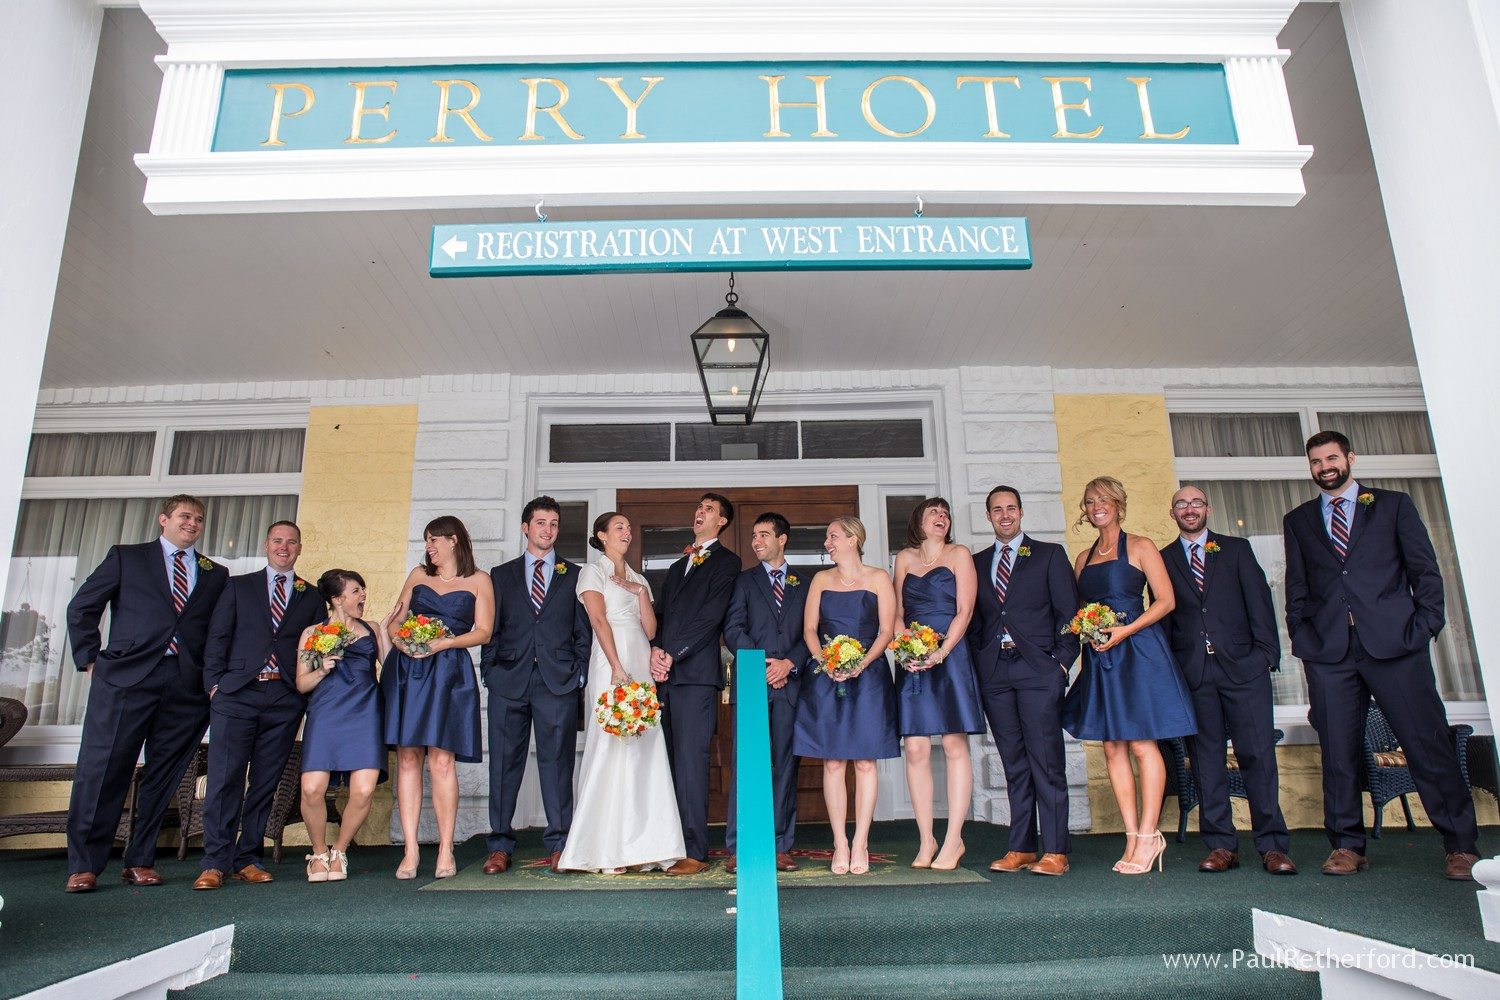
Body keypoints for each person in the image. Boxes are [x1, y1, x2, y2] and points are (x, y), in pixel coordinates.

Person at [1283, 431, 1480, 880]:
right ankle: (1347, 845)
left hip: (1396, 646)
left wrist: (1423, 627)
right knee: (1338, 752)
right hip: (1331, 654)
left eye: (1332, 457)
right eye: (1316, 461)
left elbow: (1425, 572)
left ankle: (1460, 846)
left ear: (1350, 458)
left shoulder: (1393, 505)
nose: (1324, 466)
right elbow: (1297, 588)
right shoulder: (1299, 520)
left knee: (1426, 743)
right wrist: (1304, 639)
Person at [63, 494, 229, 893]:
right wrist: (90, 661)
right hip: (125, 680)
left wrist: (212, 681)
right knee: (104, 769)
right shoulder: (127, 557)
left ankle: (139, 860)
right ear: (164, 519)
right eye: (185, 516)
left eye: (199, 519)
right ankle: (84, 865)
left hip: (185, 687)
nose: (192, 523)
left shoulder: (215, 573)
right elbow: (82, 607)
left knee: (163, 776)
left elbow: (217, 632)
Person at [1061, 477, 1195, 875]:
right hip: (1101, 656)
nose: (1096, 505)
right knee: (1113, 747)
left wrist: (1125, 630)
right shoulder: (1082, 559)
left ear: (1118, 504)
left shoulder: (1140, 546)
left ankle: (1150, 835)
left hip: (1137, 652)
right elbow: (1082, 608)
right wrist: (1089, 630)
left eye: (1104, 499)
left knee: (1140, 744)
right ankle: (1132, 833)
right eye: (1089, 501)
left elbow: (1167, 601)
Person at [1160, 487, 1296, 876]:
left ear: (1208, 509)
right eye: (1182, 504)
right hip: (1195, 674)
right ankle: (1221, 845)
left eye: (1196, 503)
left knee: (1257, 755)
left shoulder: (1235, 550)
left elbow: (1259, 602)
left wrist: (1266, 656)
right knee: (1206, 762)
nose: (1189, 509)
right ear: (1172, 513)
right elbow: (1167, 618)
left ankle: (1272, 846)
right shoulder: (1165, 559)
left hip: (1243, 670)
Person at [194, 521, 326, 890]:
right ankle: (214, 862)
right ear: (267, 544)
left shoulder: (311, 596)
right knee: (225, 778)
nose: (284, 547)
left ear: (300, 548)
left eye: (292, 542)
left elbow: (314, 651)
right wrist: (214, 686)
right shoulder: (237, 586)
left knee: (266, 782)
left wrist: (304, 694)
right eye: (278, 541)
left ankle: (248, 858)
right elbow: (217, 636)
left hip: (284, 699)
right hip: (236, 693)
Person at [557, 512, 685, 873]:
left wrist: (640, 593)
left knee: (643, 745)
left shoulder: (639, 577)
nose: (627, 532)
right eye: (619, 527)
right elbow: (598, 619)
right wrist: (615, 666)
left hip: (640, 659)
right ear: (601, 535)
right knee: (610, 744)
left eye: (629, 527)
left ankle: (644, 844)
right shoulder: (591, 571)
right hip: (610, 659)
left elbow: (650, 628)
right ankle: (604, 847)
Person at [967, 485, 1080, 877]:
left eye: (1011, 508)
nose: (1005, 515)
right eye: (997, 510)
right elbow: (973, 620)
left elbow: (1069, 613)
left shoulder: (1049, 555)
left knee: (1046, 761)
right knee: (1014, 762)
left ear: (1021, 512)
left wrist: (1061, 664)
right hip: (995, 672)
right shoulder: (977, 563)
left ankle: (1056, 850)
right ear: (988, 516)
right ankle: (1021, 846)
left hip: (1039, 670)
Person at [479, 496, 592, 875]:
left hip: (556, 683)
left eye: (554, 523)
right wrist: (490, 670)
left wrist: (577, 673)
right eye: (541, 522)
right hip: (508, 681)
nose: (548, 530)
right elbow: (491, 629)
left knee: (557, 764)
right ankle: (499, 844)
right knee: (504, 765)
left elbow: (582, 632)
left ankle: (560, 843)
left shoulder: (575, 575)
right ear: (526, 527)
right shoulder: (501, 574)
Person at [383, 515, 493, 880]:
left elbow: (484, 632)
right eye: (426, 540)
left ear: (454, 540)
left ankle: (446, 848)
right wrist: (403, 642)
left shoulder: (479, 580)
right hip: (409, 670)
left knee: (442, 761)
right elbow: (396, 621)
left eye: (434, 540)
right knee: (409, 757)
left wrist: (443, 642)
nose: (428, 546)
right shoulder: (417, 576)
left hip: (449, 673)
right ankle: (411, 850)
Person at [793, 516, 898, 875]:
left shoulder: (878, 578)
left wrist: (861, 664)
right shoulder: (820, 580)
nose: (828, 542)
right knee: (833, 762)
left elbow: (886, 630)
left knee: (866, 762)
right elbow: (809, 629)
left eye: (832, 536)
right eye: (827, 537)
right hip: (827, 676)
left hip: (868, 677)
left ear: (853, 539)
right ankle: (840, 841)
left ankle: (861, 842)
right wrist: (826, 661)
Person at [649, 492, 739, 875]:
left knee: (690, 764)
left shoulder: (727, 562)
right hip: (665, 678)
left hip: (696, 677)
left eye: (709, 510)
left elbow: (710, 618)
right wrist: (654, 648)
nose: (700, 513)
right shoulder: (676, 566)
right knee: (664, 764)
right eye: (699, 508)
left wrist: (674, 652)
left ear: (721, 522)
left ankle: (695, 851)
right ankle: (666, 843)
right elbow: (660, 615)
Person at [892, 497, 983, 871]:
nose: (941, 517)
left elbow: (965, 610)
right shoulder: (904, 559)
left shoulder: (960, 554)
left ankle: (953, 838)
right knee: (915, 747)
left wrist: (942, 651)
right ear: (918, 521)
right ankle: (926, 838)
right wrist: (905, 647)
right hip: (913, 656)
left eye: (946, 513)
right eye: (934, 512)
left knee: (952, 743)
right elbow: (897, 612)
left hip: (951, 653)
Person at [722, 512, 809, 875]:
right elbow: (732, 629)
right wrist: (763, 664)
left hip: (790, 686)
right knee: (747, 765)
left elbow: (813, 632)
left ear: (782, 538)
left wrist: (789, 664)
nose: (757, 541)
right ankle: (739, 846)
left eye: (763, 535)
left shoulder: (805, 583)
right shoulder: (743, 582)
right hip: (753, 685)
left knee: (786, 765)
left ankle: (780, 846)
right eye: (754, 536)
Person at [297, 569, 397, 883]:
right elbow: (302, 684)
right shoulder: (312, 632)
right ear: (337, 599)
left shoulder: (371, 628)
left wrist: (391, 632)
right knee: (312, 788)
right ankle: (318, 852)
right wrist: (322, 669)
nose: (363, 596)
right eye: (356, 591)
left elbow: (392, 670)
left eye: (362, 590)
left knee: (364, 789)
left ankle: (339, 850)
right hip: (326, 712)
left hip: (366, 713)